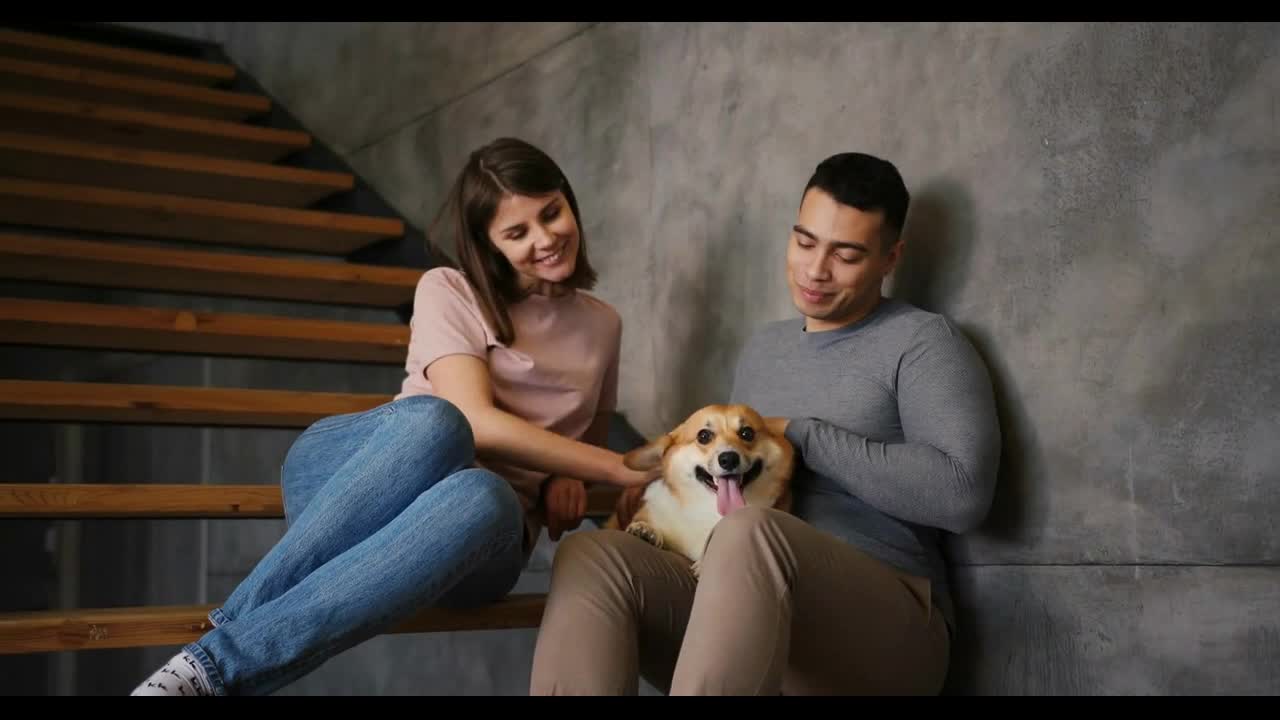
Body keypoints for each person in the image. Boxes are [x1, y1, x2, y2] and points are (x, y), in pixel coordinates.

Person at [130, 137, 651, 696]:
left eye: (551, 213)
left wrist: (567, 475)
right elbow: (474, 420)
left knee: (485, 494)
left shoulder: (603, 326)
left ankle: (212, 663)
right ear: (488, 243)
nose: (546, 239)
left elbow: (585, 435)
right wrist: (621, 467)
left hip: (470, 537)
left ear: (568, 201)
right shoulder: (449, 288)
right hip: (361, 476)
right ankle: (221, 651)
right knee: (439, 423)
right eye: (517, 232)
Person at [529, 151, 1001, 695]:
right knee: (593, 556)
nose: (815, 271)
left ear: (890, 258)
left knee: (750, 532)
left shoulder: (922, 342)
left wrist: (803, 432)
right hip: (754, 607)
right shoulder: (764, 350)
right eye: (804, 242)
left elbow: (963, 496)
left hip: (891, 628)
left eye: (845, 255)